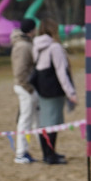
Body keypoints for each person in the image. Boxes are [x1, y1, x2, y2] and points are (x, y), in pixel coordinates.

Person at [31, 18, 78, 165]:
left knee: (44, 123)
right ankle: (50, 155)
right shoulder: (55, 47)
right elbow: (61, 72)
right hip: (54, 90)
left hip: (41, 89)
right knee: (53, 123)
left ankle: (47, 153)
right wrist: (71, 92)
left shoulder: (36, 46)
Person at [11, 18, 39, 164]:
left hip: (26, 87)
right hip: (25, 87)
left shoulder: (25, 44)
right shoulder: (23, 47)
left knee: (33, 120)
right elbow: (20, 71)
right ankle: (20, 153)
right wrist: (28, 88)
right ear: (30, 31)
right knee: (25, 120)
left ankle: (40, 148)